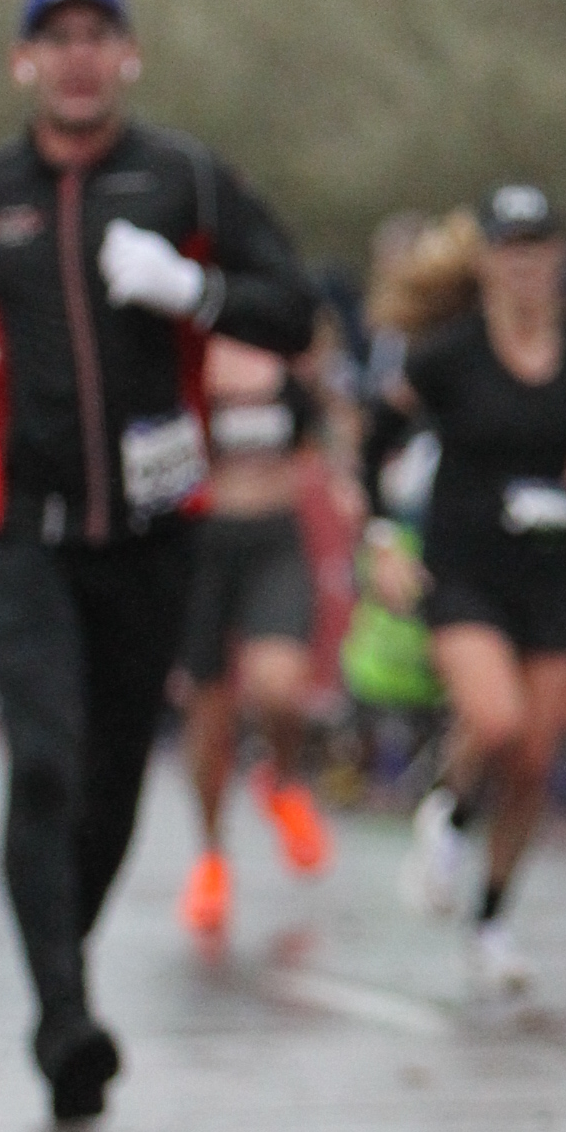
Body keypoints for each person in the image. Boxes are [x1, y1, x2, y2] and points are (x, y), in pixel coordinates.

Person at [0, 0, 315, 1122]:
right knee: (46, 757)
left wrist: (194, 291)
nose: (75, 56)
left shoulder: (185, 178)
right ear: (24, 63)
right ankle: (64, 1019)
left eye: (95, 35)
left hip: (156, 532)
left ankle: (63, 968)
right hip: (20, 531)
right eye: (54, 38)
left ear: (127, 56)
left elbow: (292, 308)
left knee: (111, 774)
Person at [370, 188, 566, 995]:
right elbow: (376, 438)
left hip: (551, 572)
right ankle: (443, 813)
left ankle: (491, 920)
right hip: (465, 567)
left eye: (537, 250)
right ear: (484, 261)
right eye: (509, 250)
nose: (524, 267)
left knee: (533, 760)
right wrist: (382, 537)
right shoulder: (446, 355)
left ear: (558, 258)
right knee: (494, 718)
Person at [175, 333, 343, 939]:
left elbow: (324, 433)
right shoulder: (185, 356)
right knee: (208, 707)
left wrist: (344, 479)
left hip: (274, 538)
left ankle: (283, 779)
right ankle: (211, 856)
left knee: (279, 685)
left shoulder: (287, 360)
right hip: (202, 544)